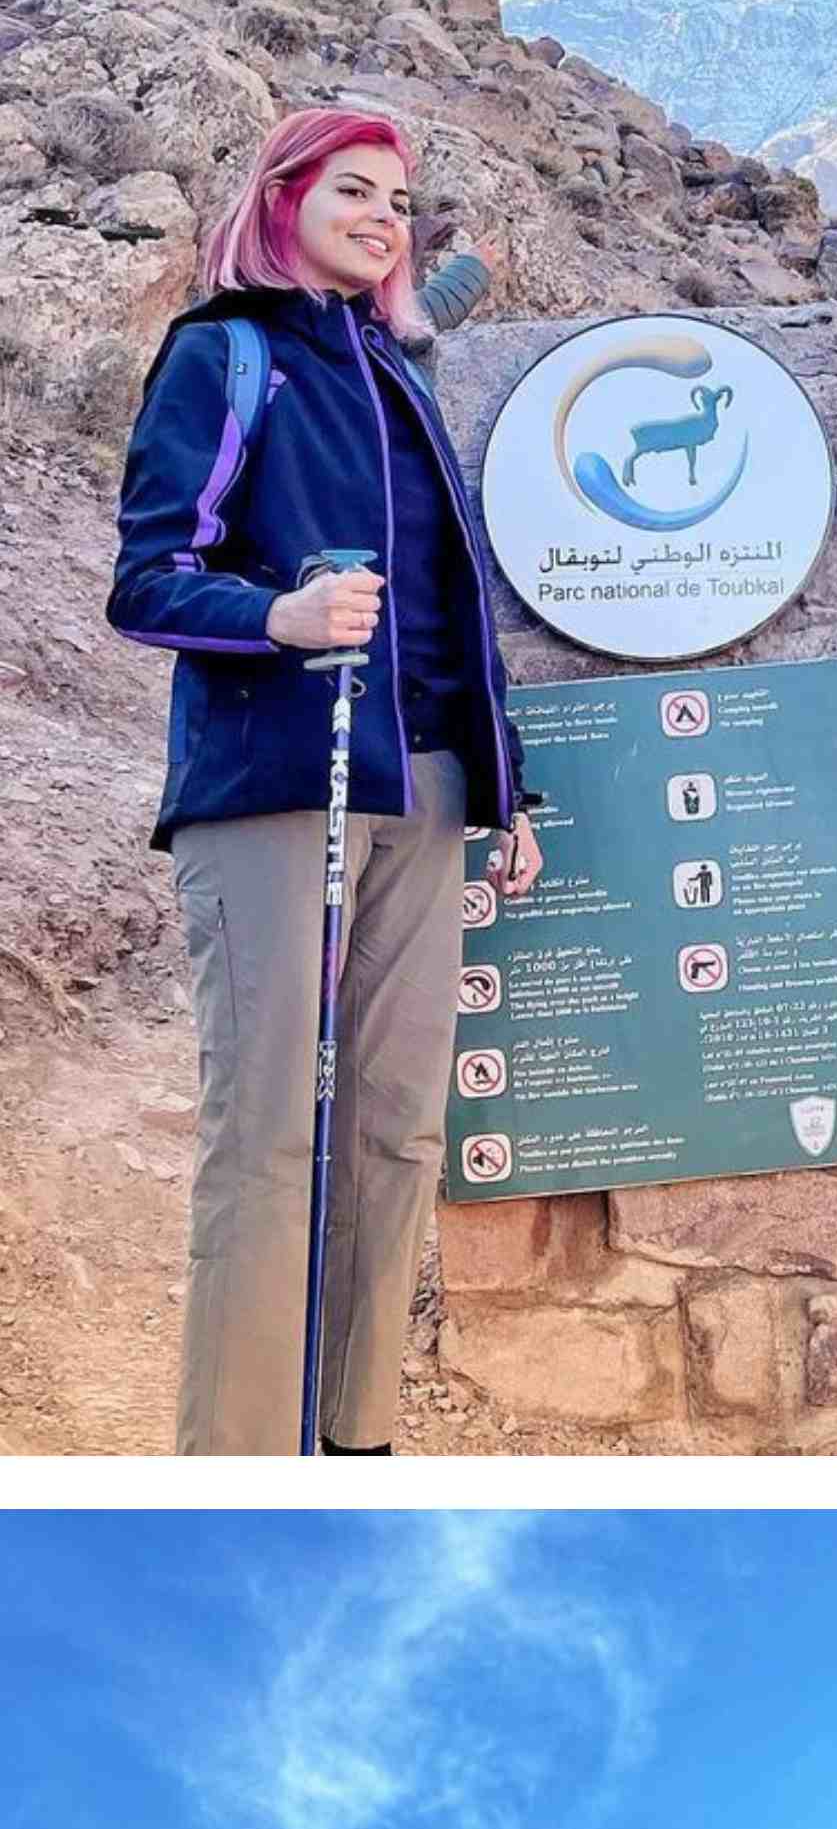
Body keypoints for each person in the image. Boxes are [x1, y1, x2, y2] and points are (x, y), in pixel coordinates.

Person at [108, 107, 540, 1456]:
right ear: (285, 197)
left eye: (401, 202)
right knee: (270, 1135)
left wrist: (501, 789)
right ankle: (239, 1456)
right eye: (354, 189)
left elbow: (452, 603)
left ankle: (351, 1440)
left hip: (419, 781)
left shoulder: (397, 374)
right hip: (279, 782)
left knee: (399, 1129)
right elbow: (147, 580)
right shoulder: (226, 355)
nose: (382, 217)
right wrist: (279, 620)